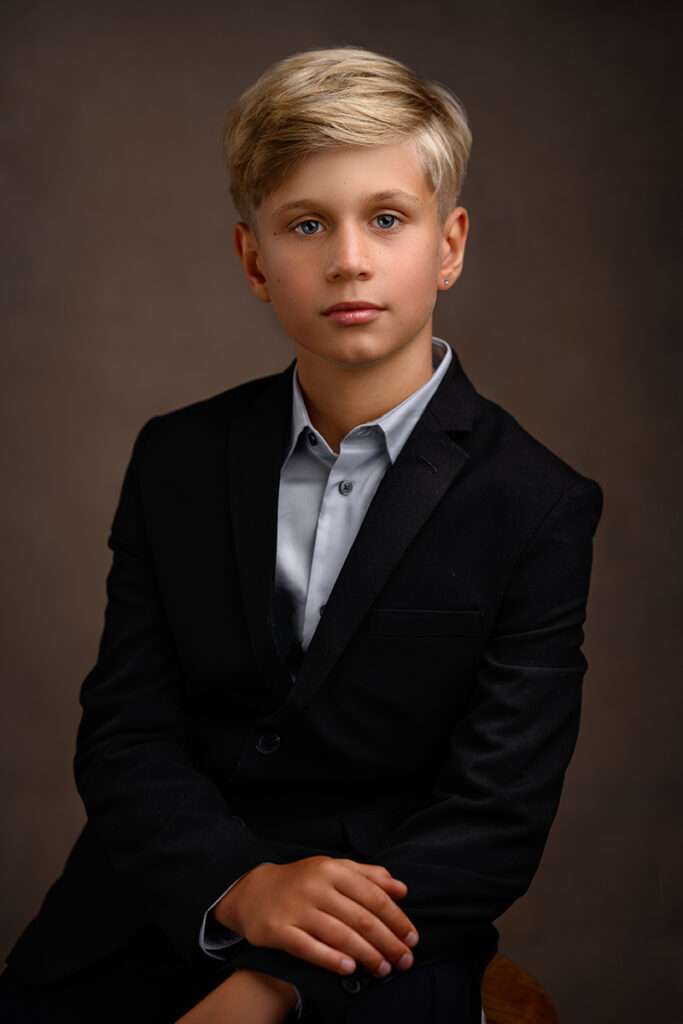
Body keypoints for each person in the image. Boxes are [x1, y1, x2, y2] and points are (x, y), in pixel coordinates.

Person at [0, 46, 604, 1023]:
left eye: (386, 219)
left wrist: (280, 981)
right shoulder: (177, 459)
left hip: (385, 938)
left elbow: (493, 815)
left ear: (447, 245)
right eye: (306, 224)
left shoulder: (533, 502)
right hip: (162, 901)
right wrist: (239, 885)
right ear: (252, 259)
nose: (349, 259)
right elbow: (126, 733)